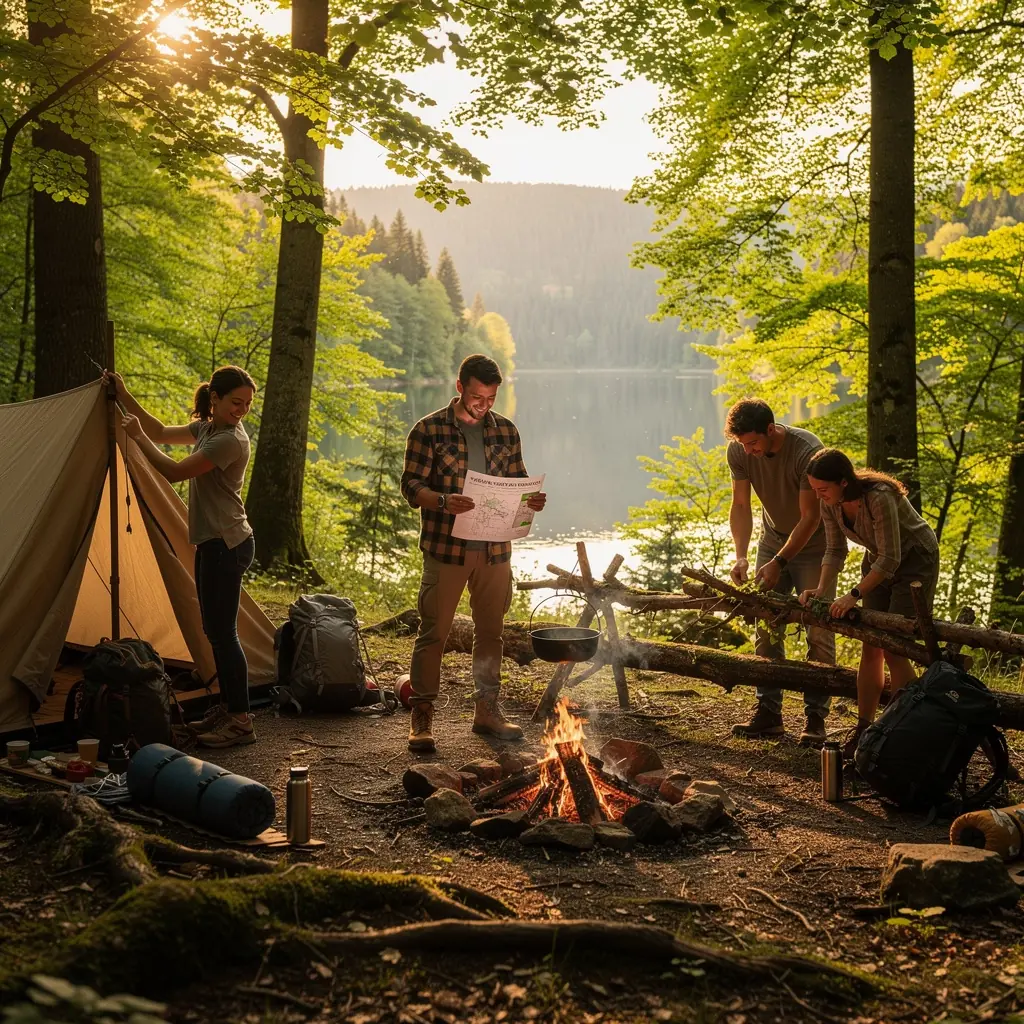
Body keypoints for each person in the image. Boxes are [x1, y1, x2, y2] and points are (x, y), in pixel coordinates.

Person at [102, 366, 258, 749]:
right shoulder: (207, 428)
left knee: (224, 634)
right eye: (236, 402)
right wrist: (124, 394)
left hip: (228, 543)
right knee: (215, 632)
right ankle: (228, 708)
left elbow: (173, 472)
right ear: (215, 399)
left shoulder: (230, 440)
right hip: (212, 543)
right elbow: (158, 430)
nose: (242, 410)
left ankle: (241, 721)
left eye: (247, 404)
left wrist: (135, 437)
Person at [400, 354, 546, 753]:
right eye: (478, 397)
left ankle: (487, 711)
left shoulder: (506, 430)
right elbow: (410, 486)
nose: (484, 405)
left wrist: (531, 500)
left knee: (491, 633)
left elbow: (518, 481)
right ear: (460, 387)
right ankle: (422, 715)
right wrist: (443, 501)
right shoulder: (428, 429)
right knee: (434, 632)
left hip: (496, 551)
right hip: (446, 550)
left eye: (491, 398)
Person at [799, 448, 940, 757]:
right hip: (878, 562)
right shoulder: (830, 504)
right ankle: (865, 730)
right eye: (814, 489)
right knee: (871, 645)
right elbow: (835, 550)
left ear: (843, 482)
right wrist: (821, 590)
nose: (818, 495)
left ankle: (903, 730)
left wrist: (853, 595)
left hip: (914, 562)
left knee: (894, 648)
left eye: (823, 489)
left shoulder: (879, 497)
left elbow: (892, 557)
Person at [725, 398, 836, 744]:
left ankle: (815, 719)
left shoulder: (806, 451)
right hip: (772, 540)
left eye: (753, 443)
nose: (749, 451)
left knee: (818, 628)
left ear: (770, 430)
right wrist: (741, 556)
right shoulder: (739, 451)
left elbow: (811, 517)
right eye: (743, 444)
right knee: (766, 623)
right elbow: (740, 504)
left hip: (815, 547)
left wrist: (780, 562)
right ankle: (768, 713)